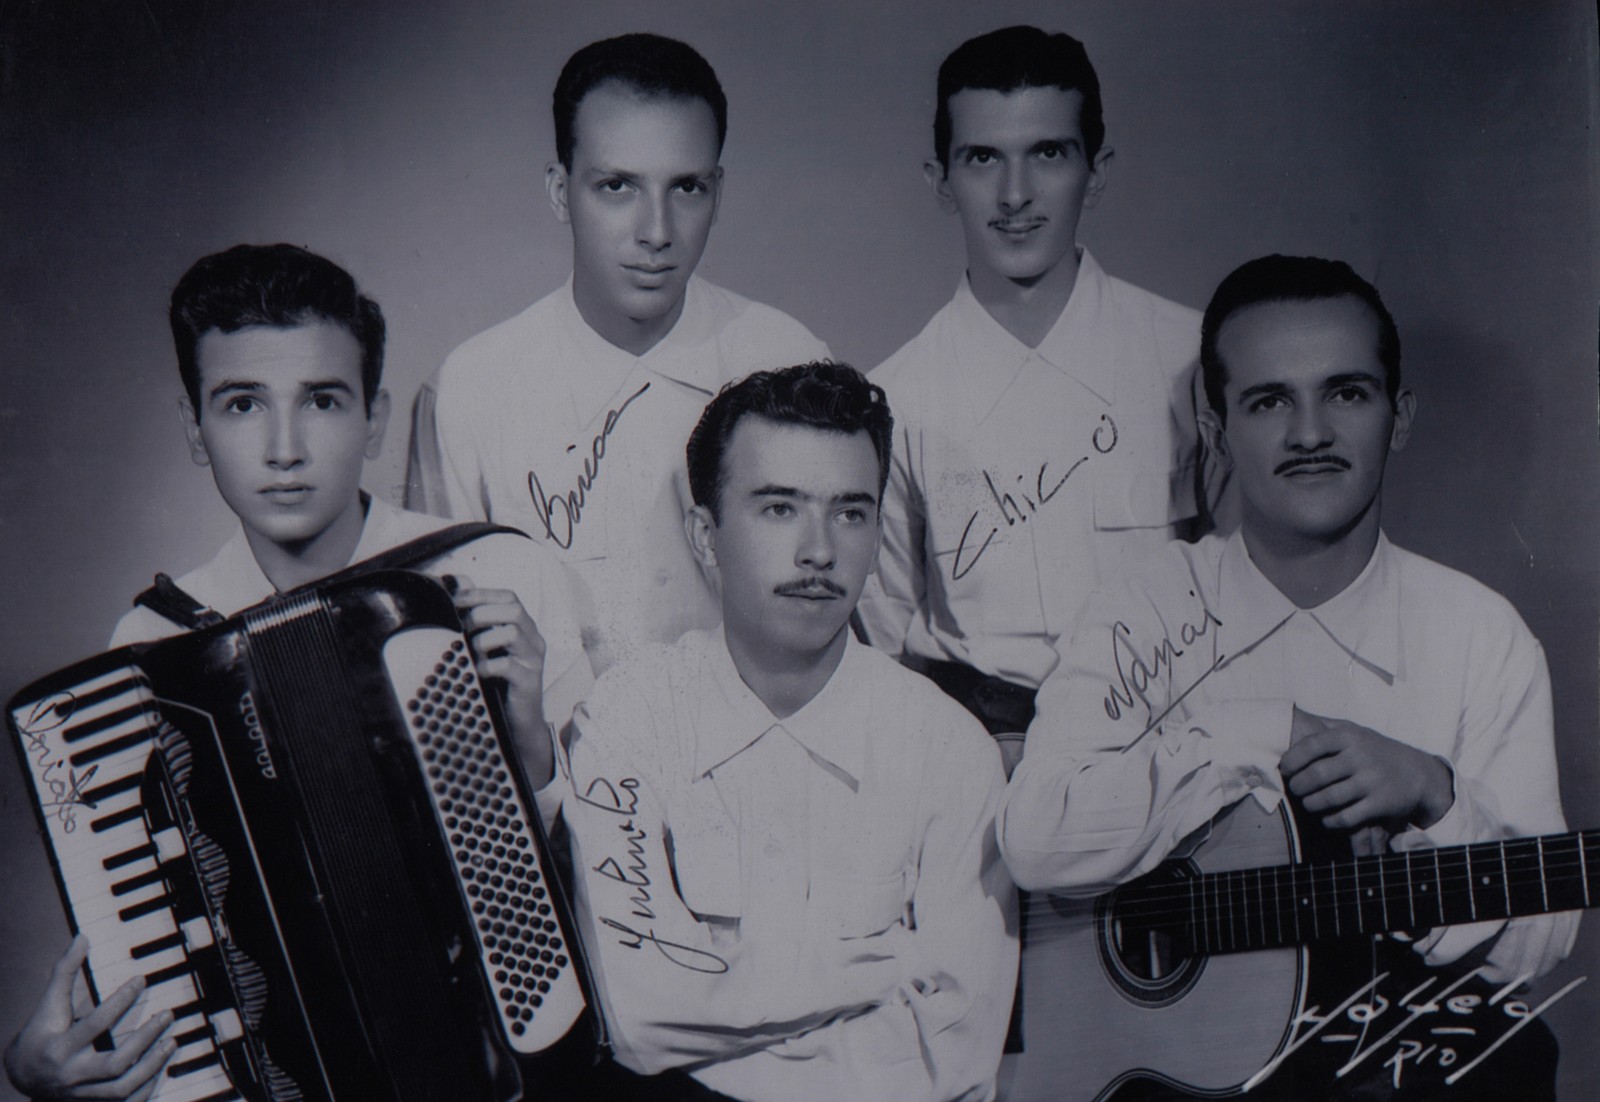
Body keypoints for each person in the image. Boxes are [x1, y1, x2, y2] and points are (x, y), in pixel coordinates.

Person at [5, 243, 593, 1102]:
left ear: (375, 419)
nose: (284, 448)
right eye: (241, 404)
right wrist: (32, 1066)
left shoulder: (499, 576)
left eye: (322, 400)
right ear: (194, 430)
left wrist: (533, 756)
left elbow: (617, 898)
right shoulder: (150, 643)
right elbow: (158, 929)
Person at [998, 255, 1578, 1099]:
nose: (1310, 434)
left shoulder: (1482, 636)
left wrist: (1435, 794)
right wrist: (1264, 732)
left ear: (1399, 416)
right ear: (1217, 425)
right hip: (1164, 1077)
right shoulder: (1145, 609)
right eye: (1269, 401)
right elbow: (1035, 835)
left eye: (1346, 393)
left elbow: (1538, 946)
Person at [551, 363, 1017, 1101]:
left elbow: (956, 1059)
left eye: (850, 512)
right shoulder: (625, 721)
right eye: (779, 508)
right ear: (706, 536)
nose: (820, 552)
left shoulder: (951, 749)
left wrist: (721, 1012)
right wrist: (887, 972)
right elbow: (638, 1019)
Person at [407, 32, 830, 673]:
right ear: (559, 191)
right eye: (617, 187)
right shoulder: (469, 390)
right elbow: (439, 653)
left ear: (720, 191)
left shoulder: (789, 359)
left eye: (686, 188)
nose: (656, 233)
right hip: (554, 766)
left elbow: (831, 620)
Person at [857, 26, 1221, 767]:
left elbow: (1246, 588)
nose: (1015, 195)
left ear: (1097, 170)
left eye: (1048, 154)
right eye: (982, 157)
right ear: (940, 180)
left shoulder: (1192, 356)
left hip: (1175, 759)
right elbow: (888, 638)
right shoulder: (892, 398)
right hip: (974, 759)